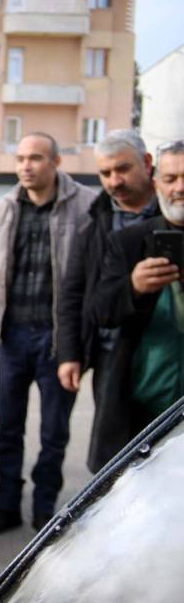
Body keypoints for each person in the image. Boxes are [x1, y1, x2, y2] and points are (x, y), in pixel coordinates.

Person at [0, 133, 96, 536]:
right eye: (21, 157)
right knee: (9, 428)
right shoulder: (6, 205)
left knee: (53, 432)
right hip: (11, 337)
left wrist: (78, 343)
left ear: (56, 161)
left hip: (58, 340)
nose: (26, 165)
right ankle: (7, 505)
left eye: (36, 158)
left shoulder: (86, 205)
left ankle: (45, 511)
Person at [57, 130, 158, 473]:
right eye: (105, 173)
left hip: (164, 352)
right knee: (117, 456)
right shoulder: (95, 221)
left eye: (123, 169)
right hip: (111, 354)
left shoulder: (173, 210)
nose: (114, 181)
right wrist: (69, 352)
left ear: (147, 164)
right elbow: (73, 292)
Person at [91, 140, 184, 460]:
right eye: (171, 179)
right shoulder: (128, 242)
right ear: (156, 182)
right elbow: (100, 311)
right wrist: (133, 287)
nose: (179, 188)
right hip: (145, 412)